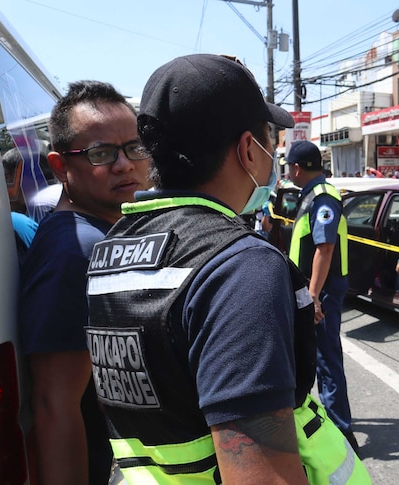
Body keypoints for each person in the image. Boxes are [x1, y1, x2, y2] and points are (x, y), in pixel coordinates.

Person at [84, 54, 369, 483]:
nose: (275, 154)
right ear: (248, 150)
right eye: (269, 138)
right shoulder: (240, 268)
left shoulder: (110, 253)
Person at [19, 80, 152, 484]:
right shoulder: (73, 251)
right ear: (60, 167)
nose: (124, 164)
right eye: (101, 153)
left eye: (134, 147)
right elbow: (55, 403)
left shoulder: (101, 233)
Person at [285, 140, 360, 452]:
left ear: (298, 168)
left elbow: (325, 248)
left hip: (322, 290)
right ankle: (328, 421)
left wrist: (313, 295)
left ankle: (343, 435)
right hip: (312, 288)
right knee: (312, 356)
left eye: (289, 167)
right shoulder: (311, 196)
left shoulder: (323, 197)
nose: (288, 172)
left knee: (327, 360)